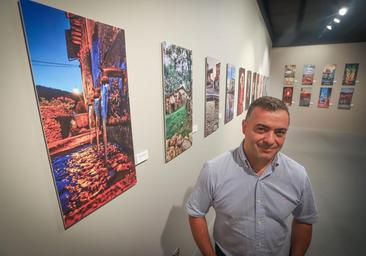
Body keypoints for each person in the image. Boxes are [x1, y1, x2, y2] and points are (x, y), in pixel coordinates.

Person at [186, 96, 318, 256]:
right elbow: (196, 213)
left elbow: (304, 219)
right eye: (262, 129)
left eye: (280, 132)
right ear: (244, 127)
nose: (270, 140)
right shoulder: (214, 170)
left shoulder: (298, 175)